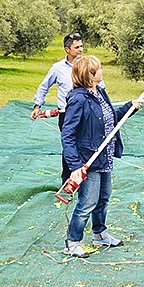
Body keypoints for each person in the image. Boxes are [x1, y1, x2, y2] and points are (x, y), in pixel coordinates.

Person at [61, 55, 141, 258]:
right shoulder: (78, 98)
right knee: (87, 202)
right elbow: (67, 134)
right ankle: (73, 242)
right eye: (99, 68)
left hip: (105, 157)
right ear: (90, 74)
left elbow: (111, 118)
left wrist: (129, 108)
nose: (102, 71)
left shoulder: (100, 92)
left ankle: (99, 234)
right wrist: (76, 165)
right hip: (88, 160)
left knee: (103, 198)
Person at [32, 33, 102, 183]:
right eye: (76, 47)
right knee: (69, 145)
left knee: (87, 144)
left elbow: (100, 86)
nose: (80, 50)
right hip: (67, 114)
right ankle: (67, 180)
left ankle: (88, 178)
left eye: (81, 46)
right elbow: (44, 86)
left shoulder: (88, 65)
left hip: (88, 114)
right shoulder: (57, 68)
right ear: (67, 49)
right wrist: (37, 106)